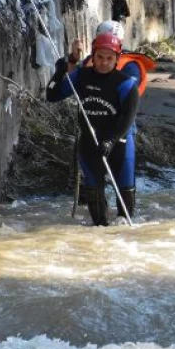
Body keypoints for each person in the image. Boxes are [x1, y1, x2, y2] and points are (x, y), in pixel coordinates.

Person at [46, 33, 140, 226]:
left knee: (125, 196)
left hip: (118, 144)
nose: (104, 62)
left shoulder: (126, 84)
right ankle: (99, 233)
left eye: (109, 58)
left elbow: (127, 119)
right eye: (99, 57)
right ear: (93, 56)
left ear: (117, 59)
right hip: (90, 144)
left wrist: (111, 141)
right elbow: (52, 95)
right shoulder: (81, 76)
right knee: (95, 196)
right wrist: (59, 72)